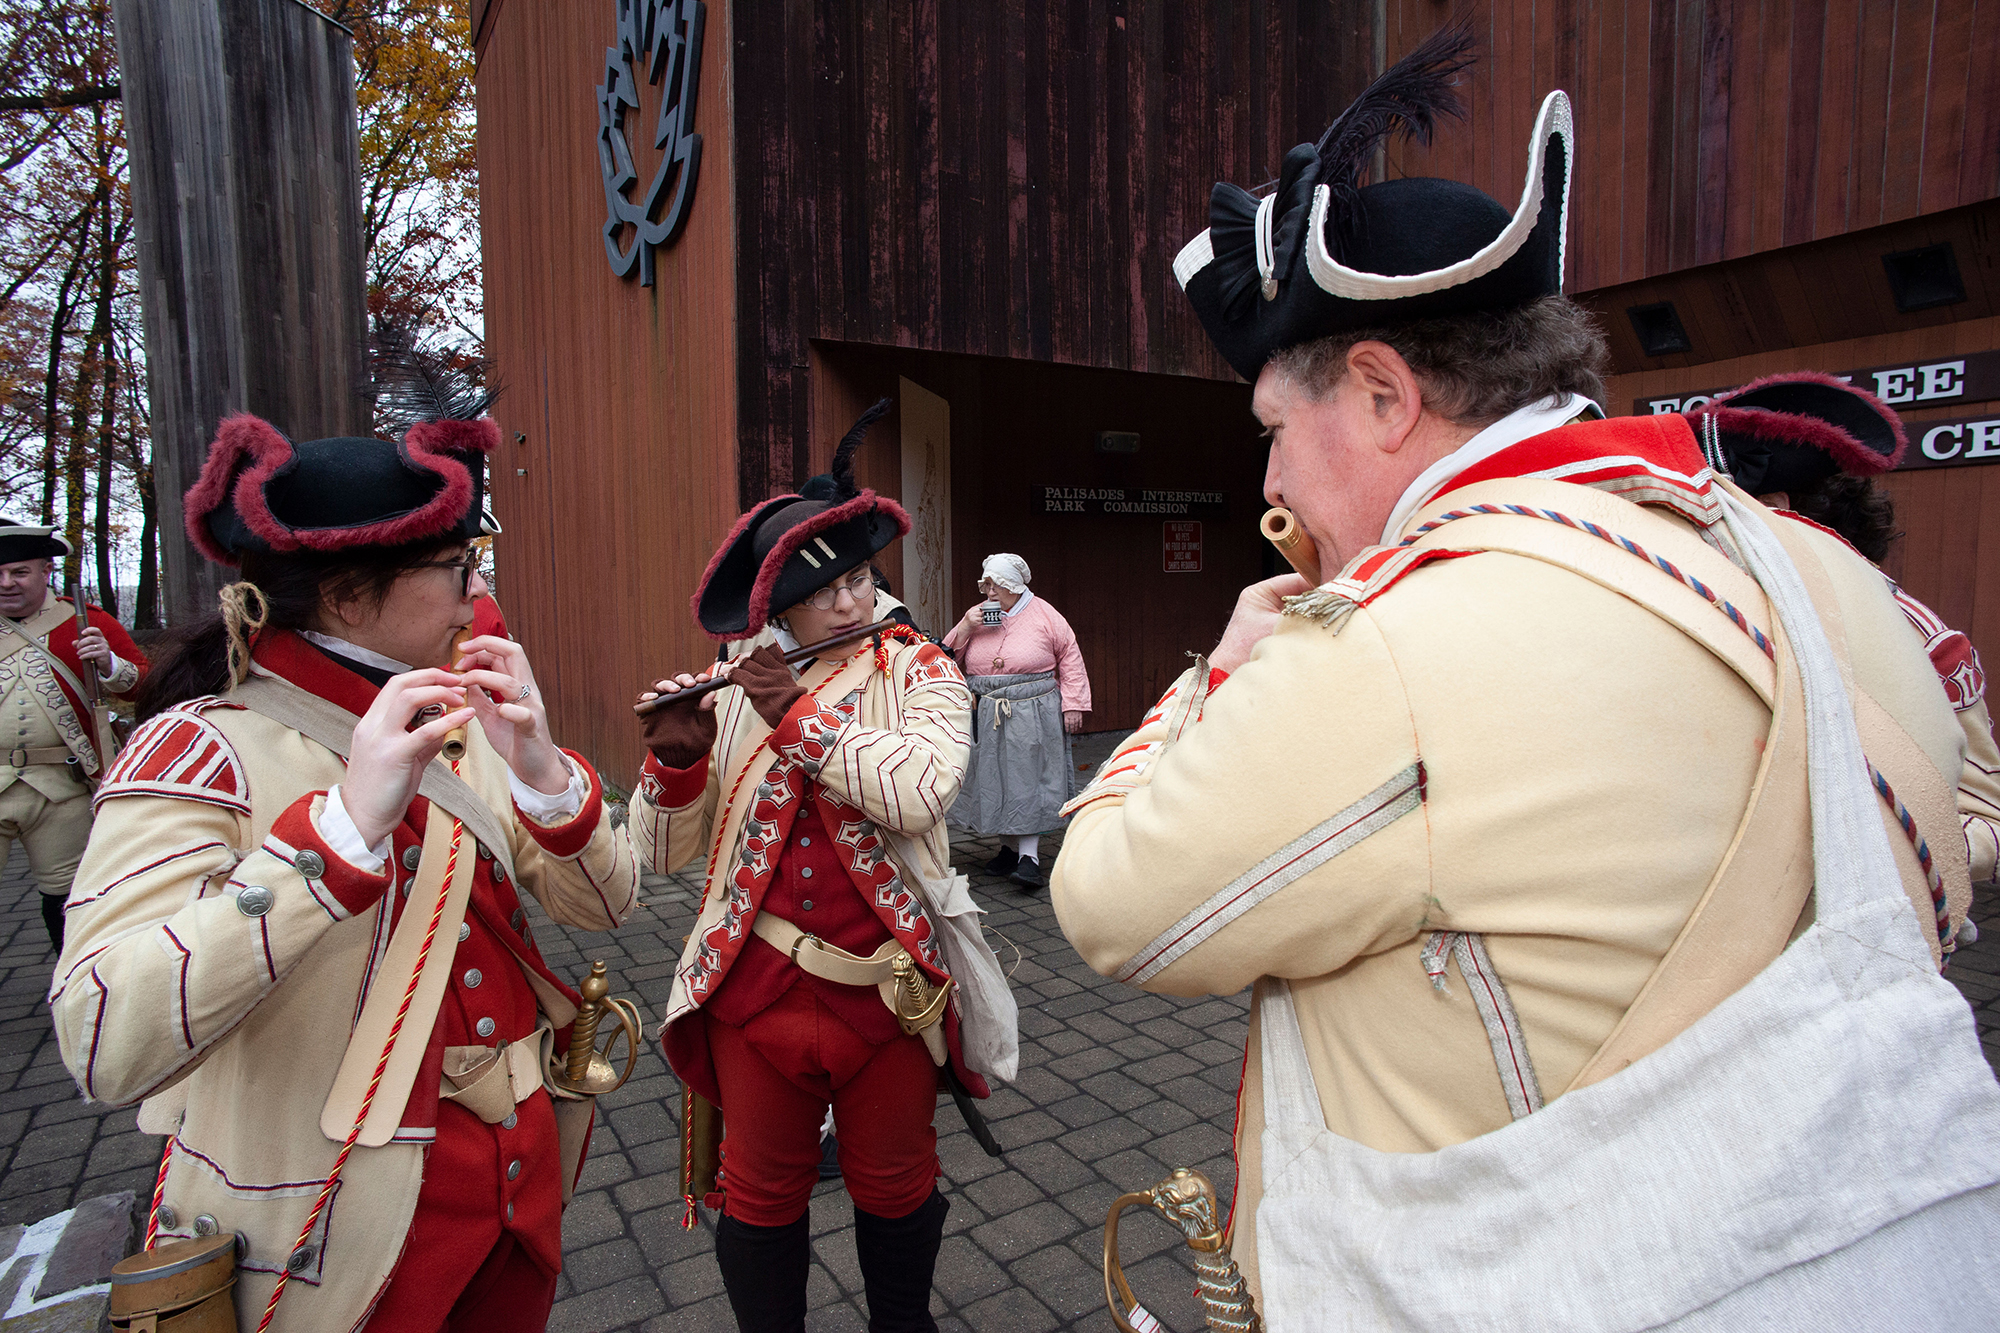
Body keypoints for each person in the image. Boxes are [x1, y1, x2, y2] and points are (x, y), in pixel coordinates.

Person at [1053, 27, 1998, 1327]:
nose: (1269, 484)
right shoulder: (1831, 575)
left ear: (1383, 395)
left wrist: (1224, 670)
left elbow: (1113, 903)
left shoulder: (1384, 645)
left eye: (1276, 429)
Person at [49, 408, 639, 1332]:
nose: (474, 592)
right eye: (456, 570)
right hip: (337, 1244)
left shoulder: (458, 718)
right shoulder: (200, 750)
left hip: (520, 1182)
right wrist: (335, 841)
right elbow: (102, 1038)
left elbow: (608, 905)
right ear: (351, 596)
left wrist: (543, 773)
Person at [631, 399, 1016, 1333]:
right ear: (776, 605)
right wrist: (675, 766)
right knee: (757, 1198)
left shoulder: (917, 667)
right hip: (752, 991)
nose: (853, 603)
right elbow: (660, 856)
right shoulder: (737, 675)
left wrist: (793, 716)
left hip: (885, 991)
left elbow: (922, 790)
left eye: (861, 579)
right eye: (828, 590)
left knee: (897, 1188)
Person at [1700, 372, 2000, 890]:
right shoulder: (1707, 608)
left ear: (1775, 511)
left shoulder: (1922, 639)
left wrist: (1869, 847)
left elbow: (1985, 818)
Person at [0, 520, 147, 952]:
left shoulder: (85, 621)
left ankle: (73, 985)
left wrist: (108, 664)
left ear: (46, 570)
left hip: (63, 788)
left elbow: (146, 685)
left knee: (69, 901)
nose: (6, 583)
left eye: (19, 572)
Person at [941, 554, 1091, 889]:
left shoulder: (1044, 614)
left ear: (1012, 585)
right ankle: (1008, 849)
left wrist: (1074, 705)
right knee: (994, 778)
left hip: (1032, 709)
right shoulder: (979, 615)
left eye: (995, 585)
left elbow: (1070, 656)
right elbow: (944, 657)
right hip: (987, 709)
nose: (989, 591)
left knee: (1029, 779)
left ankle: (1029, 857)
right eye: (987, 585)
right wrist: (966, 626)